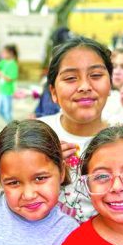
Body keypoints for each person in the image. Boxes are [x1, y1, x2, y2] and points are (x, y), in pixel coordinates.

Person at [38, 36, 112, 223]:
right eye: (71, 78)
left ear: (110, 84)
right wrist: (41, 167)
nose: (85, 87)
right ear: (53, 92)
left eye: (96, 75)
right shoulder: (35, 136)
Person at [0, 44, 19, 123]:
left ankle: (11, 127)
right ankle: (9, 125)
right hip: (1, 91)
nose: (2, 54)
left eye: (4, 52)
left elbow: (10, 78)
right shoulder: (4, 62)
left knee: (7, 112)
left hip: (8, 92)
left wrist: (0, 73)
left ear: (11, 53)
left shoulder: (13, 65)